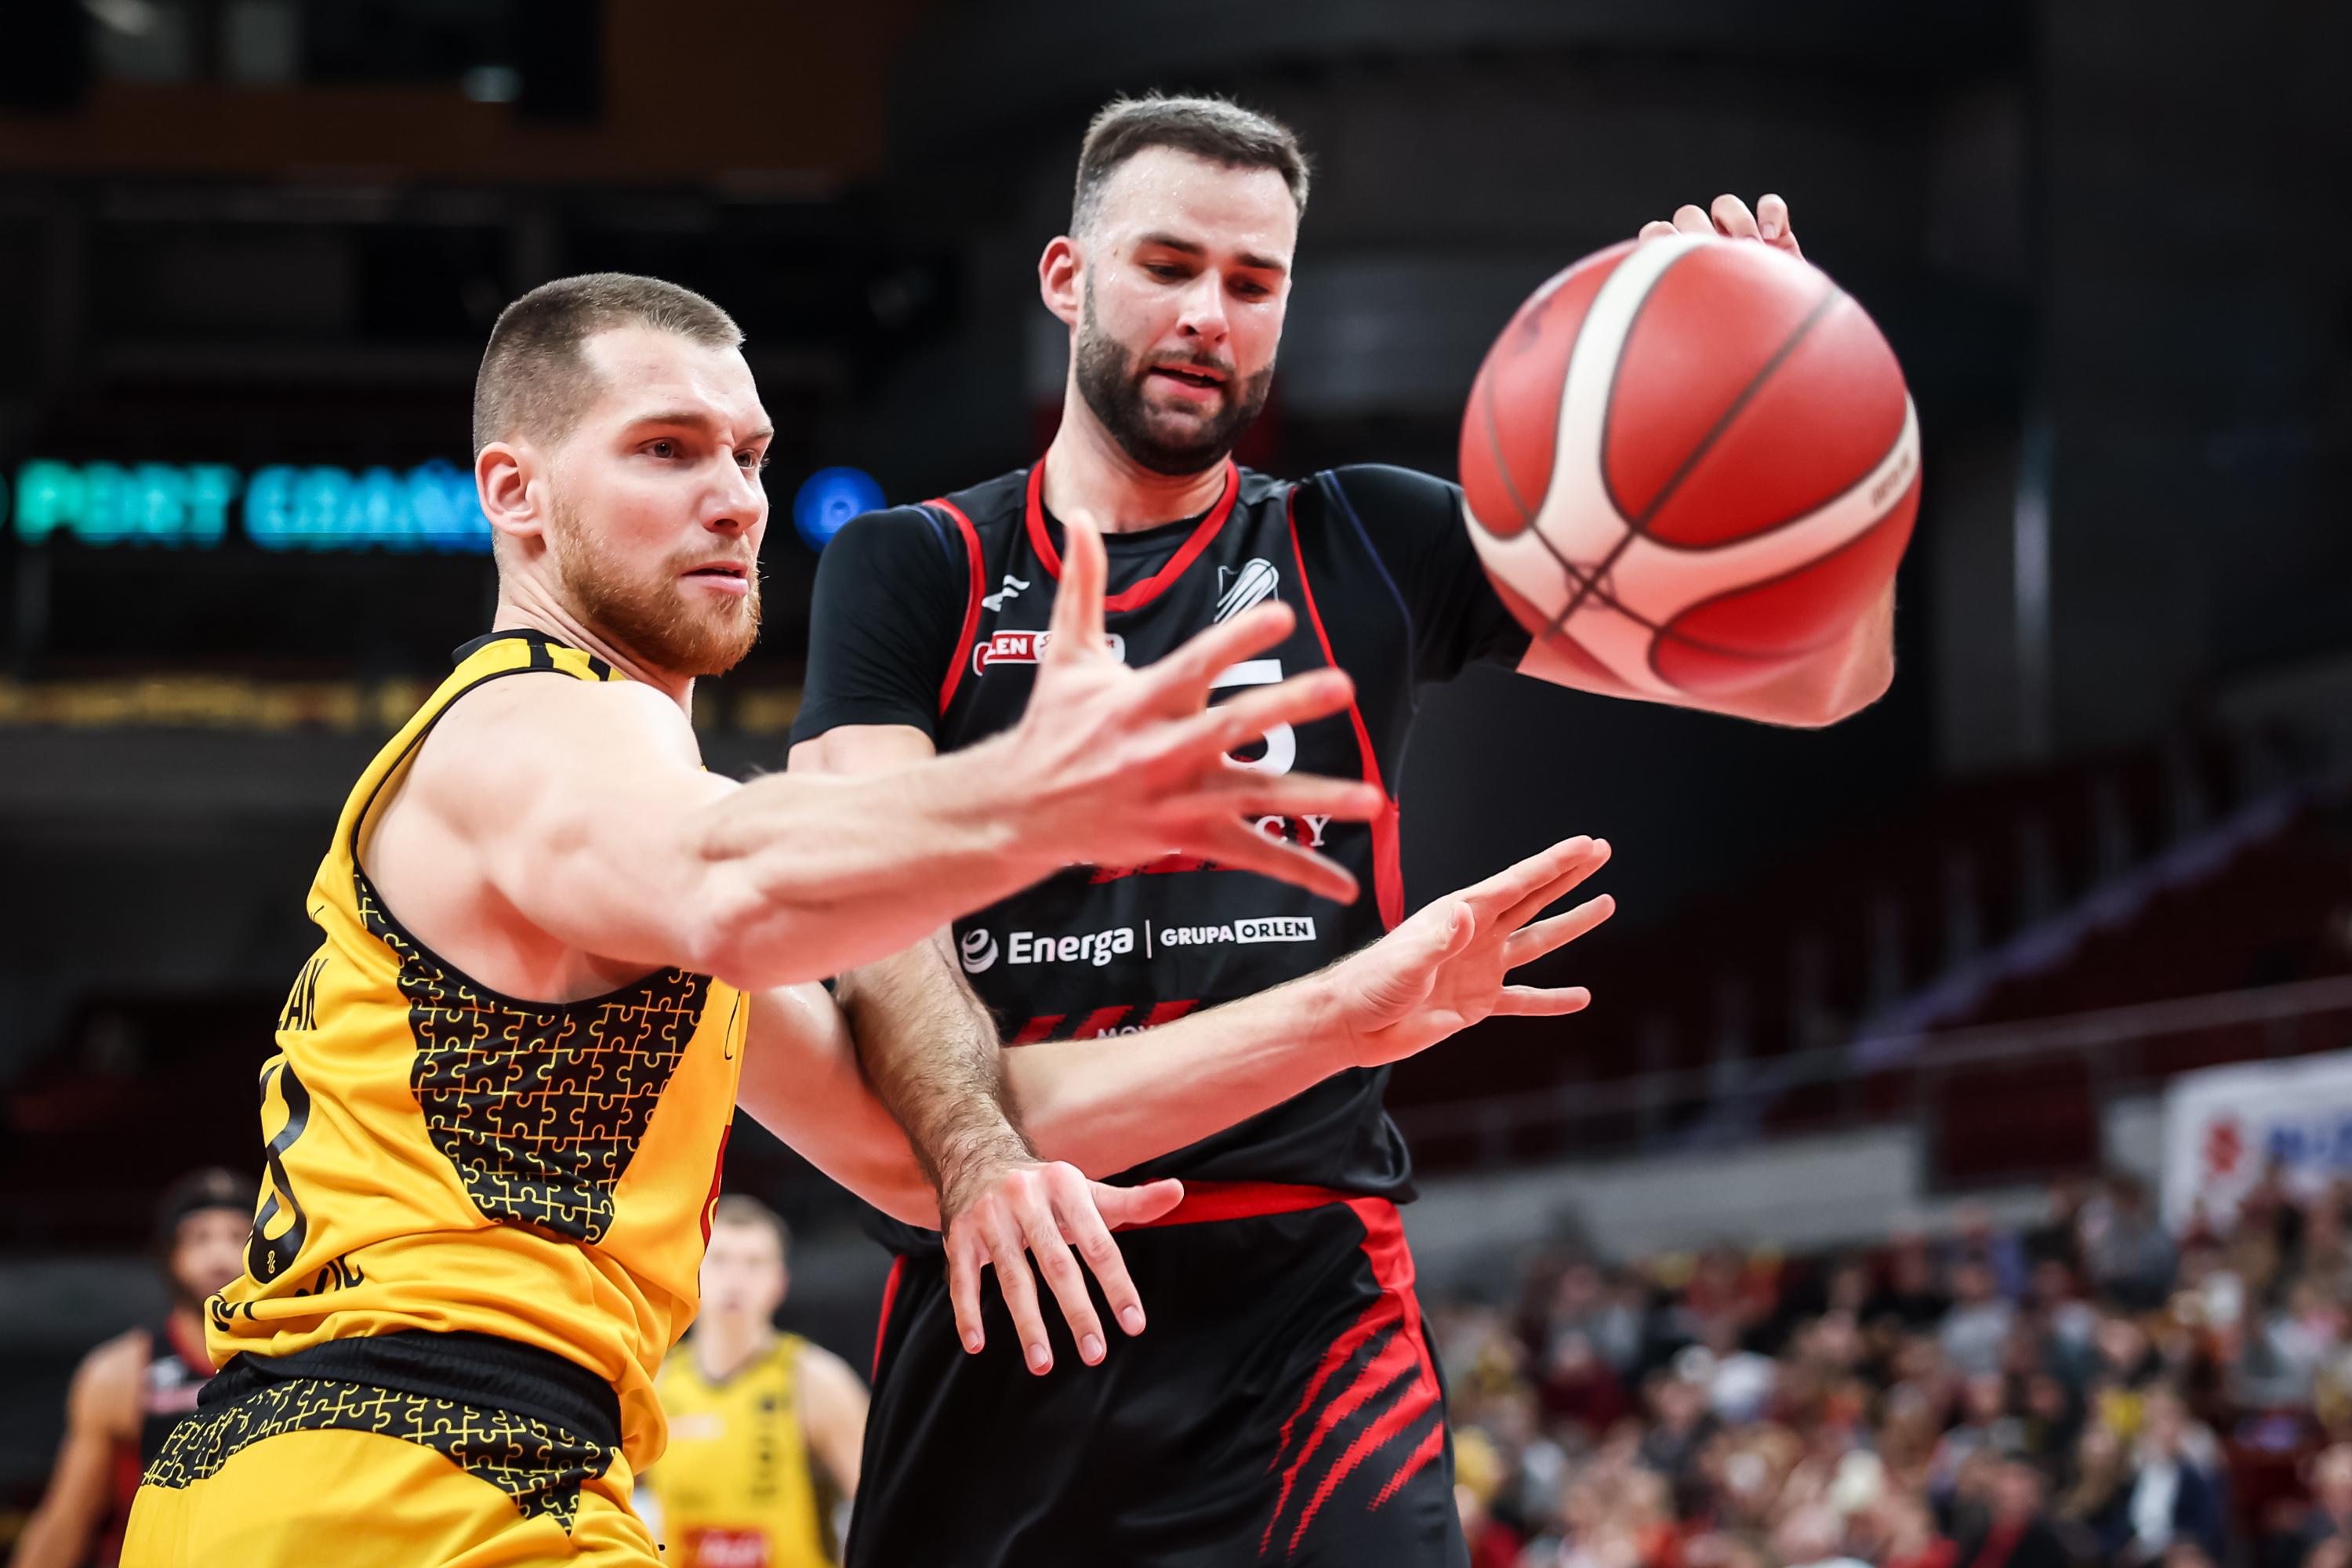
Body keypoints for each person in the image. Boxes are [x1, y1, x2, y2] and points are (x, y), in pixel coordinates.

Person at [124, 271, 1613, 1568]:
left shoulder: (631, 848)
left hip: (320, 1483)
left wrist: (1349, 1015)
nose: (734, 497)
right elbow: (734, 879)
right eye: (664, 449)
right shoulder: (537, 722)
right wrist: (1031, 794)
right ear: (514, 493)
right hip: (414, 1482)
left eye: (750, 455)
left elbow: (908, 1153)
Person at [789, 93, 1893, 1565]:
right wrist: (978, 1154)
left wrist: (1819, 414)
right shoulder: (913, 564)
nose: (1209, 314)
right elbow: (873, 916)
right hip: (1005, 1276)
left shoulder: (1369, 534)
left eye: (1253, 283)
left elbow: (1818, 683)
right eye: (1167, 266)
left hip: (1307, 1306)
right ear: (1067, 278)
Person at [9, 1171, 245, 1568]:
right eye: (199, 1238)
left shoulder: (293, 1357)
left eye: (238, 1237)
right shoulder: (120, 1373)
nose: (219, 1257)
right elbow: (66, 1523)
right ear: (169, 1254)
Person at [642, 1196, 865, 1568]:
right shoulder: (654, 1384)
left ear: (779, 1283)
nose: (736, 1280)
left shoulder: (818, 1382)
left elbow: (881, 1510)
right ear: (691, 1273)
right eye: (720, 1260)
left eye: (754, 1264)